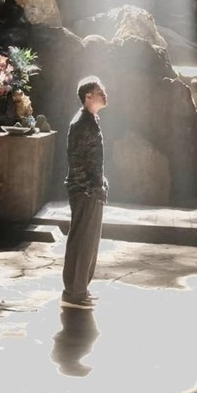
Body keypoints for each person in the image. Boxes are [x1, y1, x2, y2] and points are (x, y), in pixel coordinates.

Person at [61, 75, 109, 309]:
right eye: (100, 91)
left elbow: (93, 160)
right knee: (82, 239)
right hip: (84, 191)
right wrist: (90, 188)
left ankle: (79, 288)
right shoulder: (81, 122)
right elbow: (77, 161)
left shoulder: (91, 120)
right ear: (88, 96)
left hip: (92, 190)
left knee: (89, 240)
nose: (104, 94)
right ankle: (75, 291)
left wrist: (101, 182)